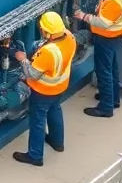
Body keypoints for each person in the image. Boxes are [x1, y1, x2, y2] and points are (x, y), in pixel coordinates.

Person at [12, 11, 77, 167]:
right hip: (60, 87)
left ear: (47, 31)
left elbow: (32, 74)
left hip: (44, 91)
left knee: (37, 121)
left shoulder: (49, 52)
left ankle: (35, 155)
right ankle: (57, 142)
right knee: (55, 110)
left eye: (42, 29)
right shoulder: (70, 37)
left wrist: (22, 60)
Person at [76, 0, 122, 119]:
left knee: (104, 71)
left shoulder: (115, 0)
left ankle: (106, 108)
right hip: (118, 36)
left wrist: (84, 16)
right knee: (112, 68)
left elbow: (103, 23)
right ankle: (113, 99)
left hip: (108, 38)